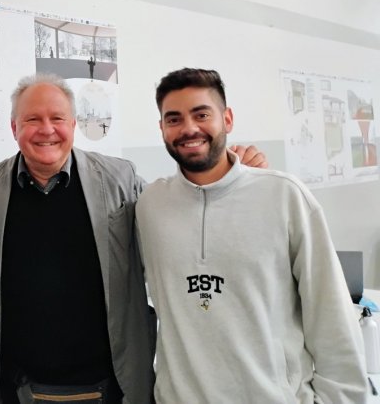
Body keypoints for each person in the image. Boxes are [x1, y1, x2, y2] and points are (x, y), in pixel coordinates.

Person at [0, 73, 267, 403]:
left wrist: (231, 180)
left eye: (58, 118)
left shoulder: (119, 179)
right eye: (32, 119)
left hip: (109, 386)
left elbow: (180, 216)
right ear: (14, 128)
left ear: (74, 124)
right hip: (16, 387)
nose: (47, 130)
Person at [136, 68, 367, 403]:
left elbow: (332, 316)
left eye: (202, 114)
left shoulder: (285, 197)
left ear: (227, 119)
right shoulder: (150, 205)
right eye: (173, 119)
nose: (188, 128)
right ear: (162, 129)